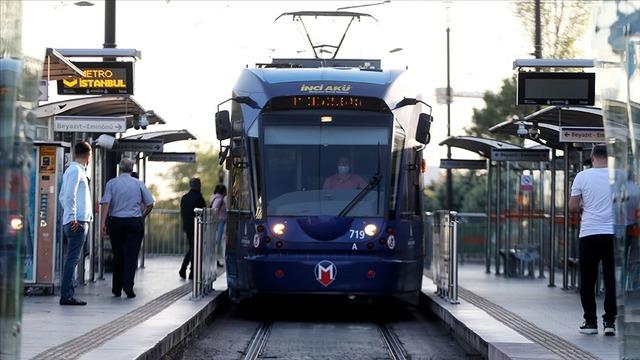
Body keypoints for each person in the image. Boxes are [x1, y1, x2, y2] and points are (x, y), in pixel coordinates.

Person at [569, 144, 616, 336]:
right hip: (613, 234)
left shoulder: (582, 176)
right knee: (612, 279)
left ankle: (590, 323)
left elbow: (572, 207)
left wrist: (582, 204)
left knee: (588, 280)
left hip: (589, 233)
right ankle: (610, 323)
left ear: (592, 157)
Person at [100, 159, 155, 298]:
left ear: (120, 169)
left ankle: (116, 288)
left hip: (116, 223)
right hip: (134, 222)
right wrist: (142, 216)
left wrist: (102, 224)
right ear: (132, 169)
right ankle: (128, 286)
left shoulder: (111, 183)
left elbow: (106, 204)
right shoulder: (138, 184)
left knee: (118, 255)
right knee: (131, 256)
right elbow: (150, 203)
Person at [59, 141, 93, 306]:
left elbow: (61, 196)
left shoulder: (72, 170)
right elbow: (68, 196)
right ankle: (67, 295)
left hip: (76, 220)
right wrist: (72, 217)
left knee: (72, 258)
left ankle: (68, 293)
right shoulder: (75, 171)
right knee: (72, 259)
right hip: (76, 222)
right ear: (89, 156)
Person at [179, 178, 206, 279]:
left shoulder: (184, 197)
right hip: (197, 227)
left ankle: (184, 269)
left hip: (187, 226)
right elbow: (203, 213)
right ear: (199, 185)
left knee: (192, 248)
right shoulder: (199, 198)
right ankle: (190, 271)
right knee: (195, 249)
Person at [210, 184, 227, 268]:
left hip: (217, 222)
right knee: (217, 242)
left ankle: (214, 259)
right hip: (219, 222)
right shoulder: (219, 199)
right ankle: (214, 260)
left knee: (216, 242)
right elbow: (215, 209)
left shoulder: (215, 198)